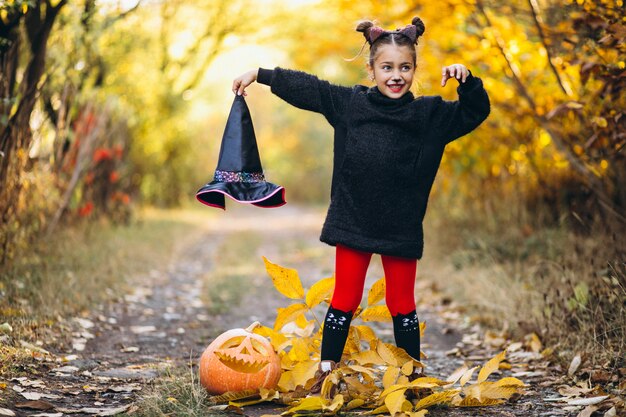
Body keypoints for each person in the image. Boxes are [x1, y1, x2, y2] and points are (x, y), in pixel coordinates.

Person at [232, 17, 490, 391]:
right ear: (371, 69)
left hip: (400, 226)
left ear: (415, 70)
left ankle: (412, 375)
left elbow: (474, 112)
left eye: (405, 67)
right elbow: (311, 89)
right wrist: (261, 73)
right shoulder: (351, 104)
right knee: (345, 298)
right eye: (387, 67)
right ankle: (327, 371)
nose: (396, 75)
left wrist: (468, 82)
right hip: (353, 221)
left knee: (403, 303)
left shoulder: (429, 116)